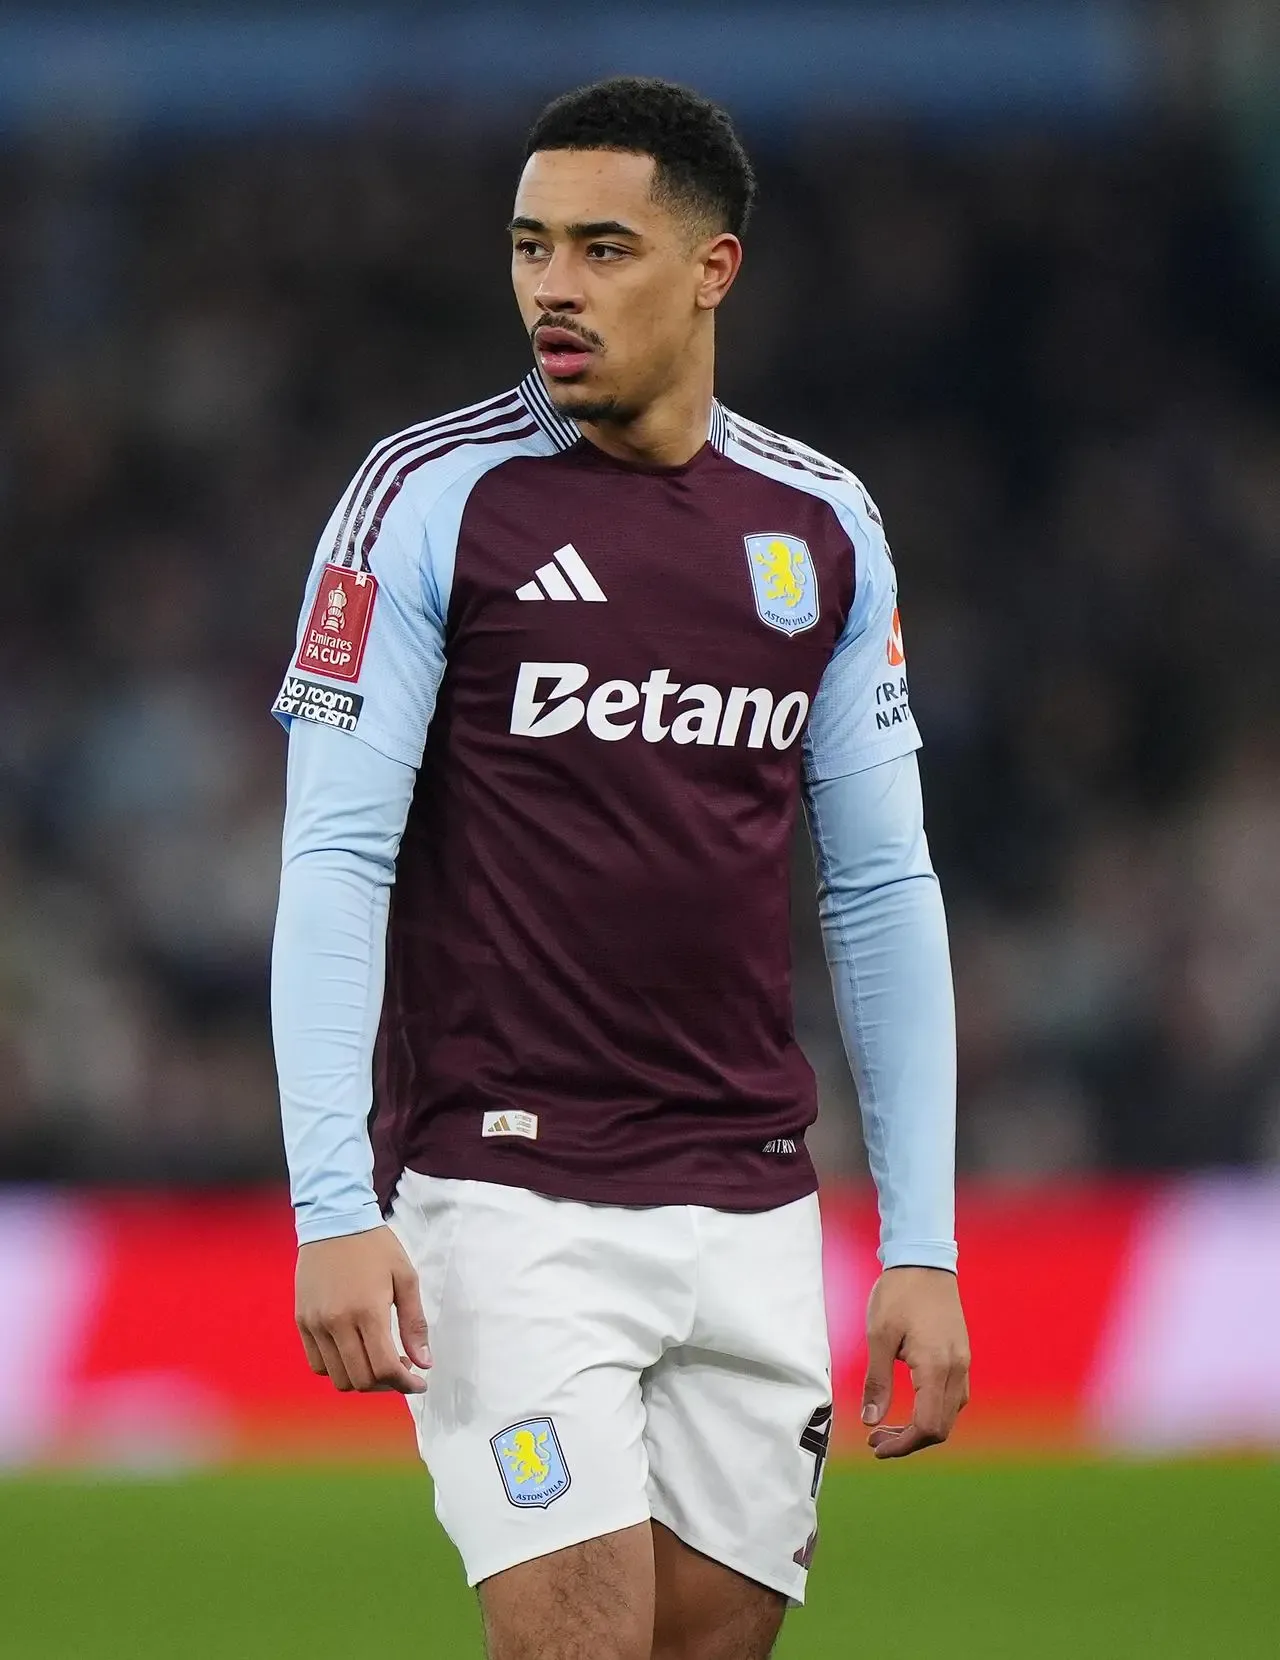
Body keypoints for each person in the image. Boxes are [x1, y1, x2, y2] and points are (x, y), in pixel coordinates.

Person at [271, 76, 969, 1660]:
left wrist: (918, 1241)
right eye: (529, 250)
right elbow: (334, 856)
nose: (552, 290)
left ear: (712, 270)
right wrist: (331, 1203)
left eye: (601, 249)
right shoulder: (429, 501)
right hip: (510, 1193)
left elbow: (880, 888)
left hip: (747, 1204)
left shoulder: (822, 525)